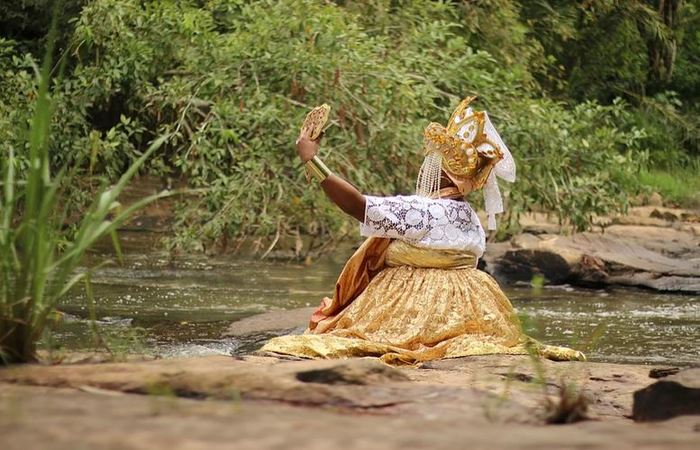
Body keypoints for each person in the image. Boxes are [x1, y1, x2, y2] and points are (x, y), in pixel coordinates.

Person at [260, 97, 585, 365]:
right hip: (473, 303)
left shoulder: (423, 211)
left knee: (341, 340)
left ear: (444, 171)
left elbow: (357, 205)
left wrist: (311, 160)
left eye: (435, 160)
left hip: (416, 300)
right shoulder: (470, 217)